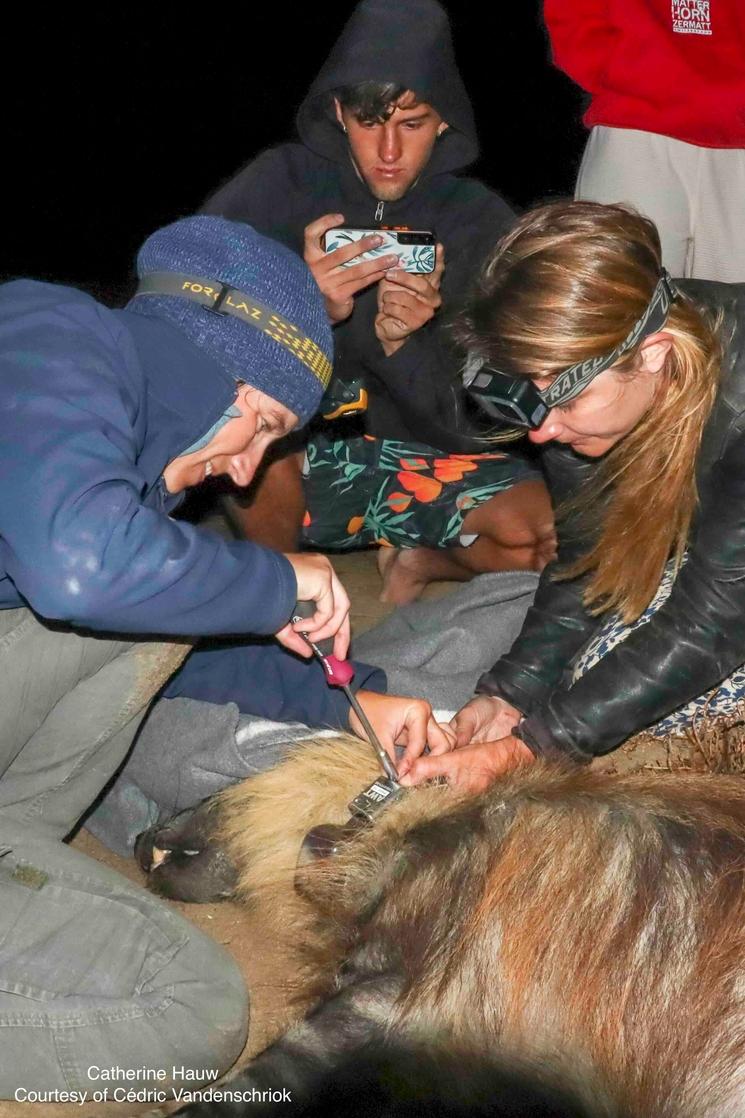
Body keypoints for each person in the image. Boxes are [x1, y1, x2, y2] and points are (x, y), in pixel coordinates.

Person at [0, 214, 447, 1098]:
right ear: (232, 389)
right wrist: (276, 580)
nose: (245, 476)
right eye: (266, 429)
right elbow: (80, 572)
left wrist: (357, 700)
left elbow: (157, 639)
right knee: (194, 1015)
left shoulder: (104, 460)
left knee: (165, 605)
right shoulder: (48, 331)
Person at [202, 0, 556, 605]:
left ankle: (418, 562)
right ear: (338, 113)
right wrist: (301, 304)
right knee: (243, 416)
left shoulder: (478, 222)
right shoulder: (277, 183)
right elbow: (174, 308)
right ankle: (280, 590)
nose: (389, 150)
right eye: (371, 124)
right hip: (292, 464)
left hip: (417, 463)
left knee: (548, 539)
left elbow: (493, 426)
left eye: (412, 124)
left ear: (444, 121)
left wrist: (404, 347)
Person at [391, 199, 745, 791]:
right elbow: (589, 562)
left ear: (654, 352)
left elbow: (712, 622)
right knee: (588, 679)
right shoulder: (578, 364)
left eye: (565, 404)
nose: (541, 433)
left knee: (665, 733)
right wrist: (509, 697)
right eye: (530, 402)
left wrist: (531, 749)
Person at [544, 0, 745, 281]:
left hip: (736, 143)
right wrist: (623, 72)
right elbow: (572, 18)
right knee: (620, 303)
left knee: (733, 315)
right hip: (633, 128)